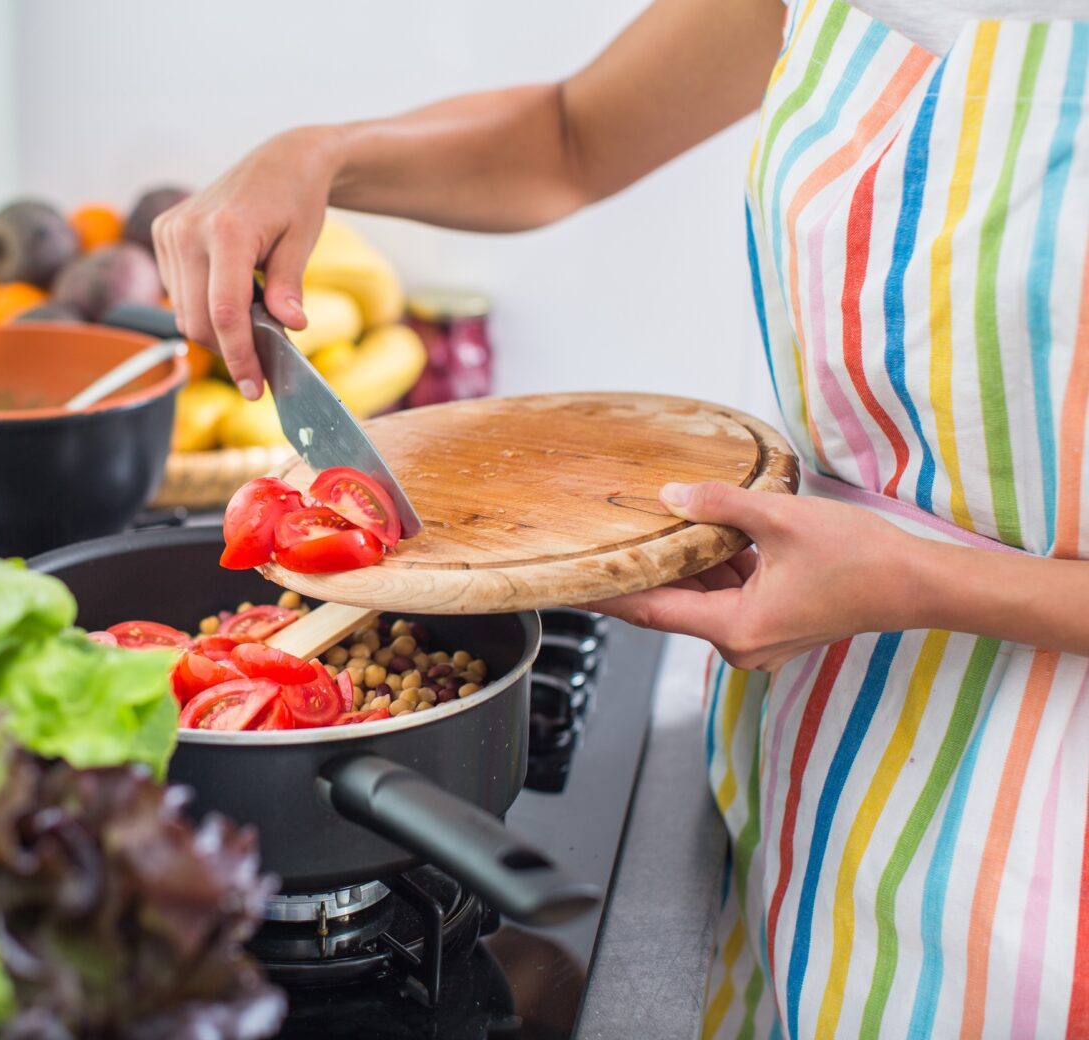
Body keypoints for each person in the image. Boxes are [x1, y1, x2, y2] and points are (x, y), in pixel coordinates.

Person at [153, 0, 1089, 1035]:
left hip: (1046, 851)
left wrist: (919, 577)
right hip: (826, 750)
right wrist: (322, 154)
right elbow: (570, 137)